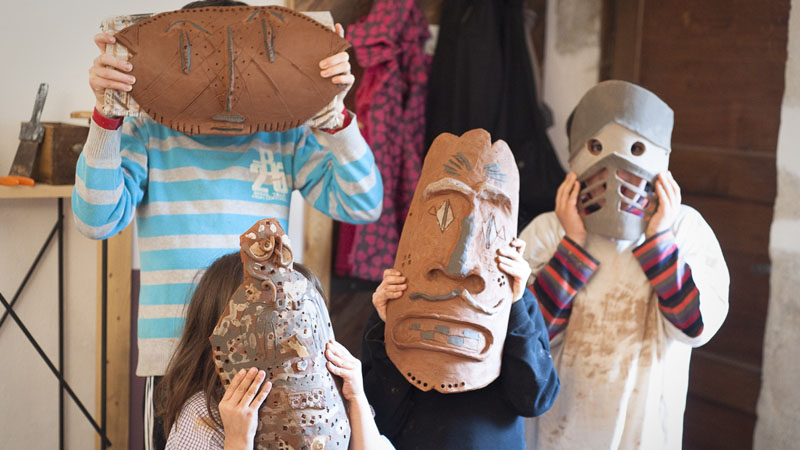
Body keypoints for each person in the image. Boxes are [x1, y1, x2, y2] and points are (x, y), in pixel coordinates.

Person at [74, 1, 382, 447]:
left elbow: (363, 202)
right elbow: (95, 219)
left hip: (269, 360)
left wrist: (333, 115)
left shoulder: (285, 132)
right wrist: (108, 116)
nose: (228, 78)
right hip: (176, 359)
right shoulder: (147, 130)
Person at [520, 80, 729, 449]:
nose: (617, 172)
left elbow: (696, 327)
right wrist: (572, 246)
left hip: (645, 430)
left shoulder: (684, 230)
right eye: (597, 151)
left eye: (636, 152)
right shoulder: (548, 231)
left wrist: (660, 241)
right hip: (560, 429)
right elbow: (527, 336)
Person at [158, 252, 394, 450]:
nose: (299, 349)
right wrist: (238, 440)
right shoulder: (205, 415)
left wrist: (357, 400)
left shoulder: (334, 398)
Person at [361, 238, 560, 450]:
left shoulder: (518, 303)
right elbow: (375, 416)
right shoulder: (397, 299)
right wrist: (388, 325)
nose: (459, 255)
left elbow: (535, 400)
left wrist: (514, 306)